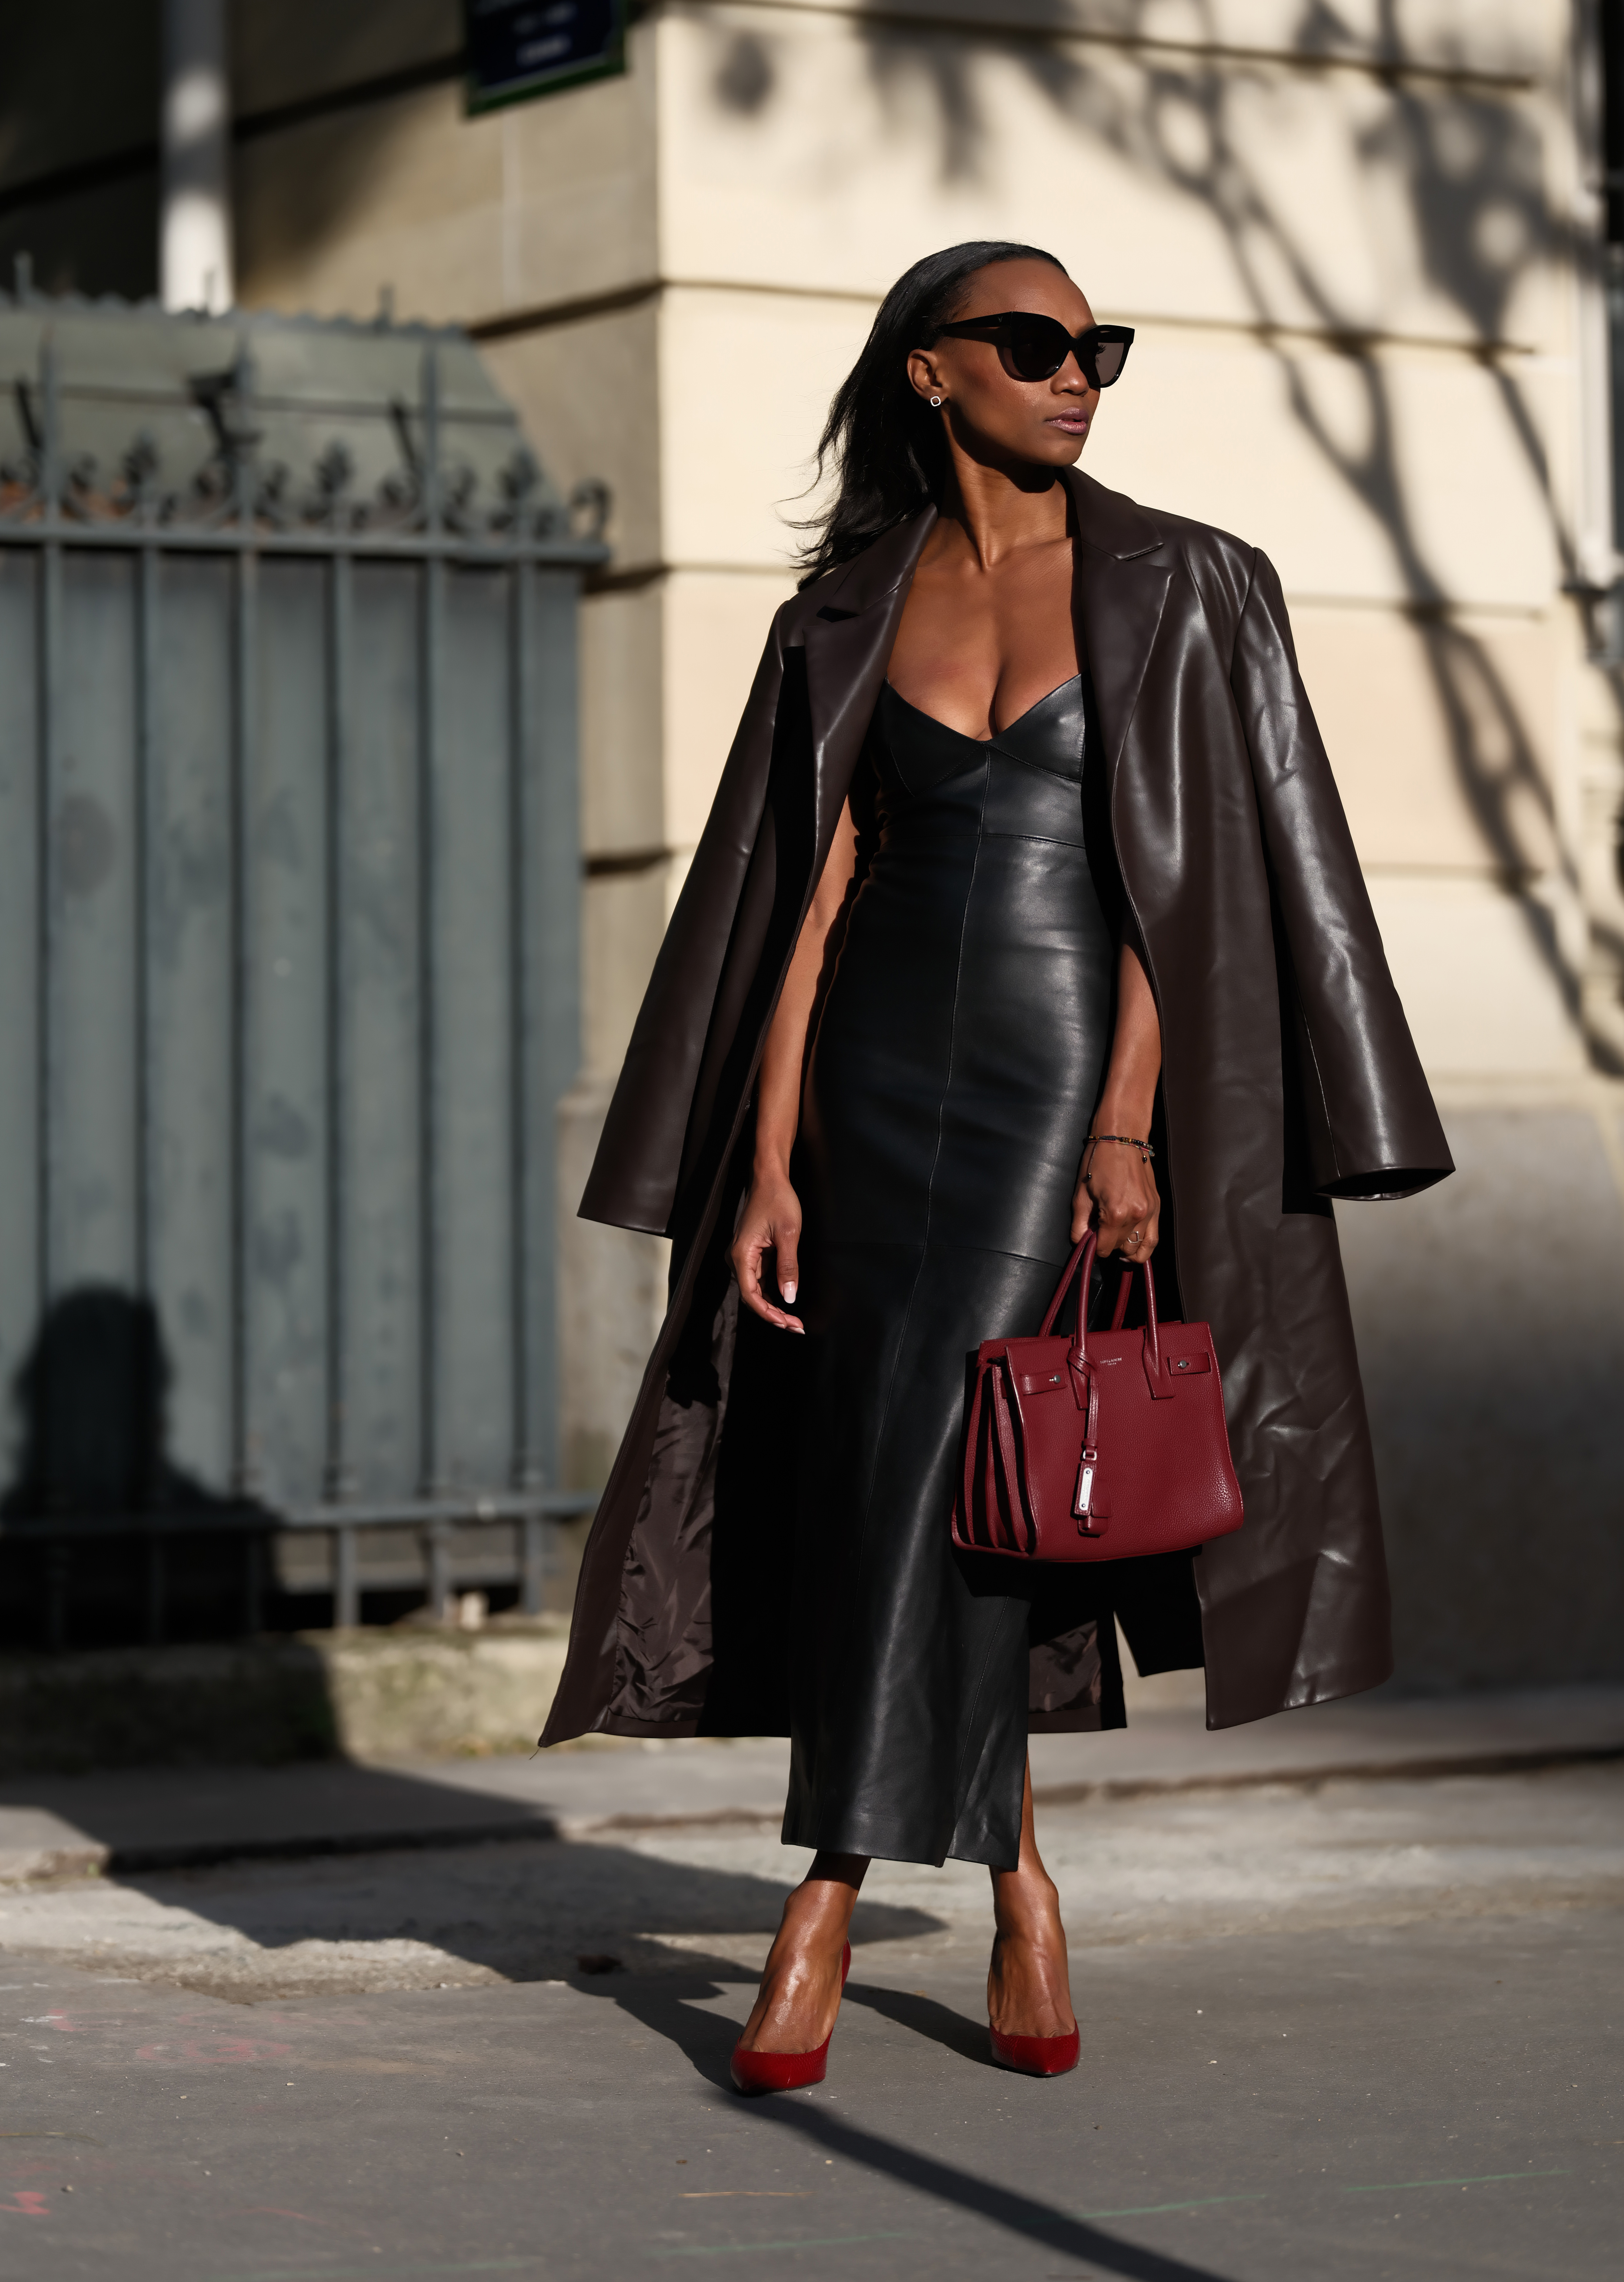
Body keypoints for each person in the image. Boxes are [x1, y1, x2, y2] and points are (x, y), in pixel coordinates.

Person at [541, 240, 1452, 2093]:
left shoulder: (1185, 581)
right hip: (870, 1075)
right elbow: (809, 896)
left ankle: (825, 1892)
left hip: (1063, 1072)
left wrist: (1131, 1124)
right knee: (921, 1469)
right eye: (1032, 344)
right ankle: (1024, 1878)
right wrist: (770, 1154)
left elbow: (1181, 897)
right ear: (928, 375)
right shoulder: (851, 602)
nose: (1077, 372)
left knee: (954, 1445)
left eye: (1093, 344)